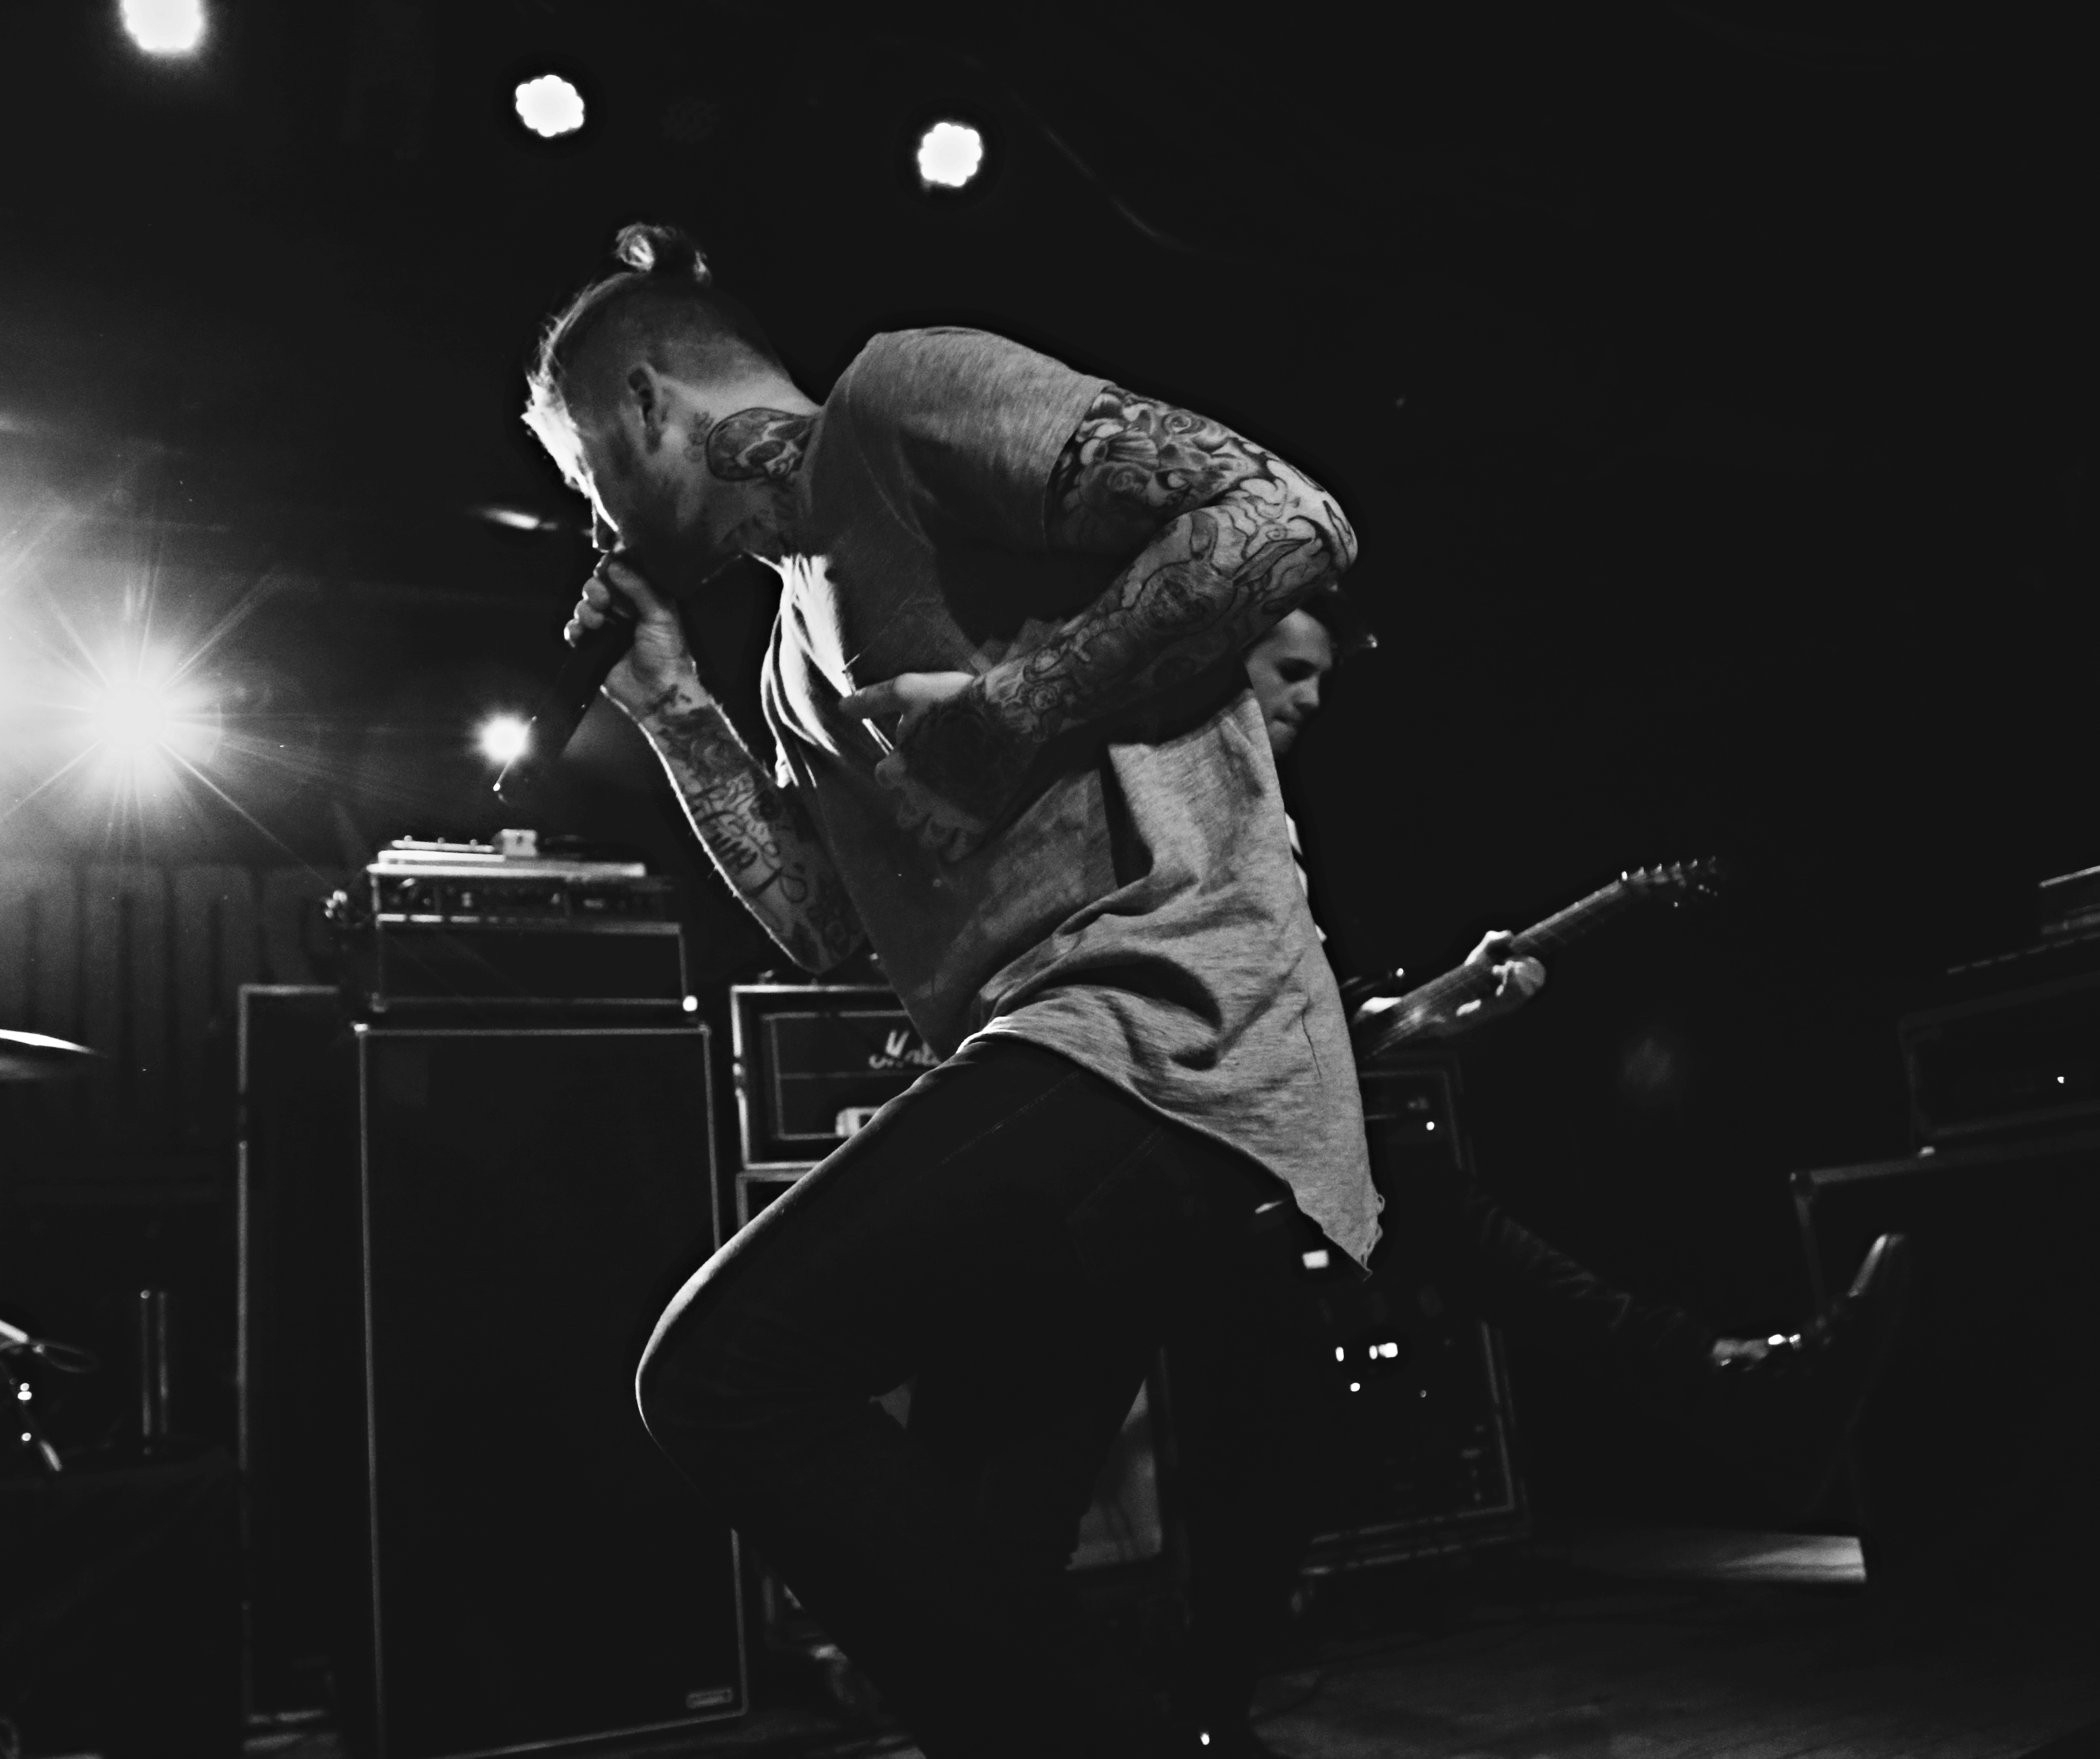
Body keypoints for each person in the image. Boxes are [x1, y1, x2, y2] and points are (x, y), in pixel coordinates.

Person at [525, 222, 1365, 1757]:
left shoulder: (900, 403)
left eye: (586, 470)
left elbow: (1286, 515)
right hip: (1055, 1071)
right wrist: (673, 708)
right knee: (967, 1599)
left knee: (719, 1376)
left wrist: (1018, 702)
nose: (593, 515)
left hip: (1165, 1023)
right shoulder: (787, 662)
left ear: (644, 403)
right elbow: (827, 931)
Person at [1170, 598, 1911, 1753]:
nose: (1312, 697)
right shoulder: (1180, 800)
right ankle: (1733, 1386)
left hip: (1238, 1156)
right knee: (1232, 1414)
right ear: (1223, 666)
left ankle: (1200, 1714)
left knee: (1289, 1398)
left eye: (1322, 676)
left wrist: (1434, 1012)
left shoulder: (1262, 820)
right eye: (1292, 670)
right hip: (1157, 1153)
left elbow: (1295, 1021)